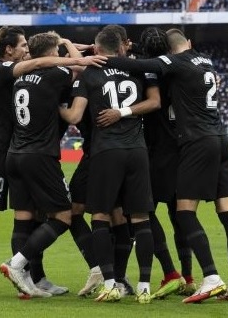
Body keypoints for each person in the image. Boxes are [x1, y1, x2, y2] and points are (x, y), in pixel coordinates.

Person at [0, 26, 105, 299]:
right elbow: (42, 60)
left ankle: (34, 278)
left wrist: (71, 44)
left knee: (29, 215)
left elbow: (43, 56)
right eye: (23, 47)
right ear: (9, 50)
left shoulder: (8, 73)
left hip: (12, 151)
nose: (27, 52)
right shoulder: (1, 69)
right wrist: (79, 59)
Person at [102, 28, 228, 303]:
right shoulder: (204, 63)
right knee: (220, 213)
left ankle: (192, 275)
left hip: (177, 148)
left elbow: (139, 65)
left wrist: (100, 57)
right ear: (188, 43)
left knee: (152, 210)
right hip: (217, 139)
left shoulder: (165, 68)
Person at [96, 27, 195, 299]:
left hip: (154, 151)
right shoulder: (179, 70)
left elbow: (127, 60)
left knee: (144, 213)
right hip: (182, 149)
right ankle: (188, 276)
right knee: (180, 216)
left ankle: (169, 271)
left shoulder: (144, 72)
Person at [60, 29, 156, 304]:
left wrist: (57, 107)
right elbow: (154, 102)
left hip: (105, 152)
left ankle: (111, 283)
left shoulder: (91, 73)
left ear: (97, 49)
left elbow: (75, 114)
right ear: (121, 47)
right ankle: (144, 286)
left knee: (100, 217)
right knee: (140, 219)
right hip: (137, 150)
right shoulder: (138, 70)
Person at [0, 31, 86, 298]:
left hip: (14, 155)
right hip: (40, 156)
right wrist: (68, 43)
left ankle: (30, 283)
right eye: (57, 52)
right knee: (62, 216)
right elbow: (80, 67)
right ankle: (16, 264)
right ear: (51, 54)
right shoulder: (54, 74)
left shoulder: (19, 78)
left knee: (24, 218)